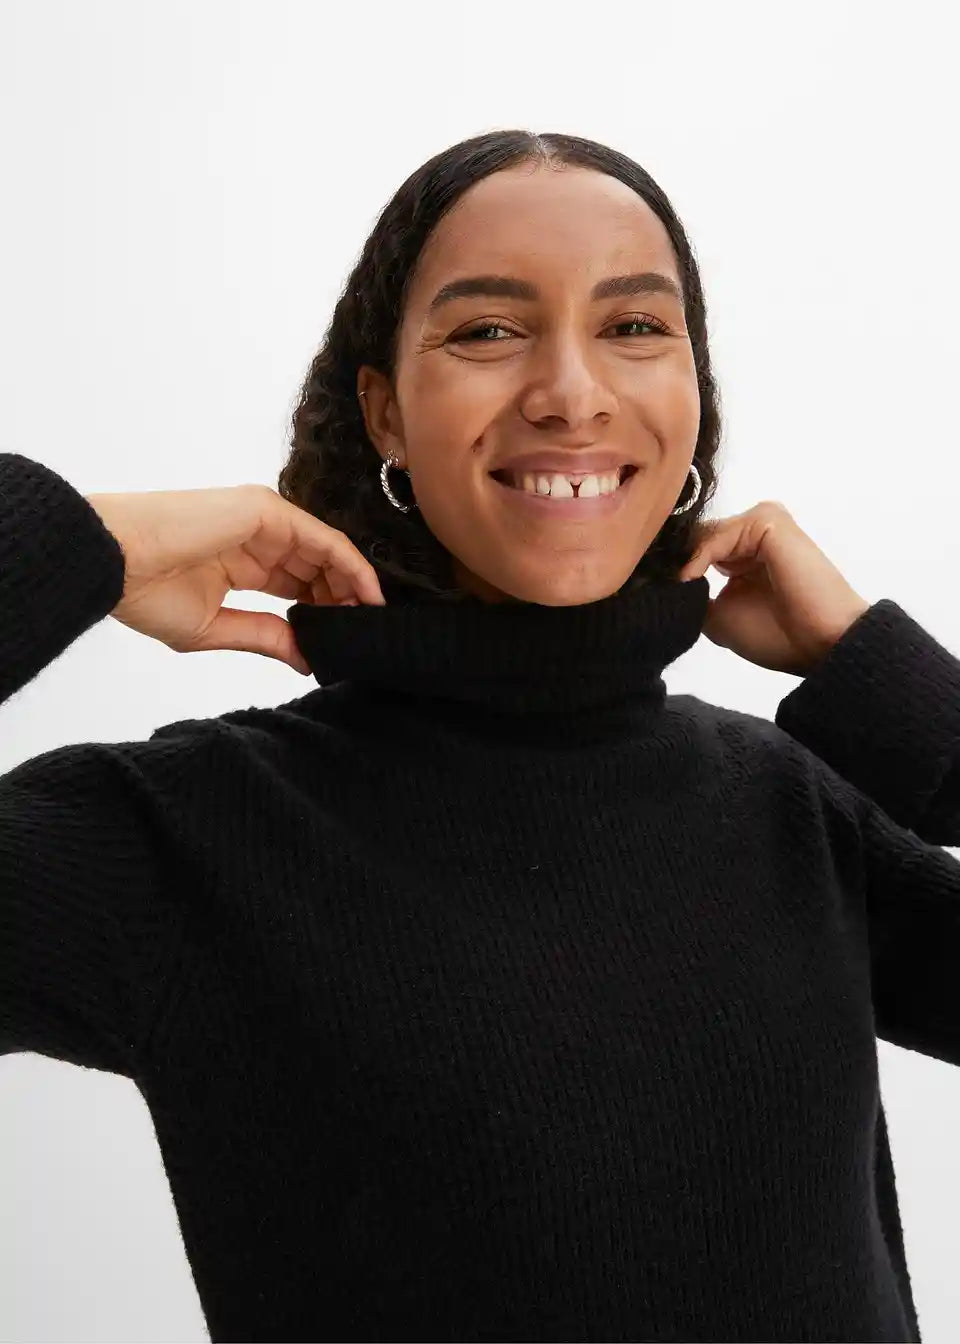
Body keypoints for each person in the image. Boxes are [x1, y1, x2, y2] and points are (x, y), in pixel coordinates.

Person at [1, 128, 956, 1343]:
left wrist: (881, 676)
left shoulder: (786, 804)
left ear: (693, 397)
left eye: (635, 326)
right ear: (385, 414)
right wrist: (78, 544)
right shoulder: (180, 839)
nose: (572, 392)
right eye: (490, 331)